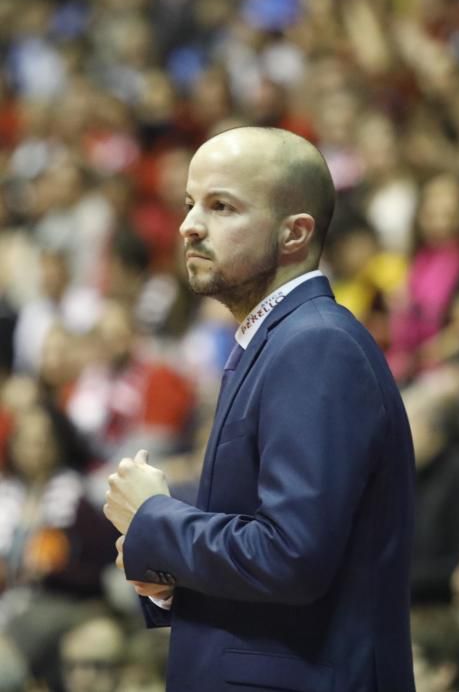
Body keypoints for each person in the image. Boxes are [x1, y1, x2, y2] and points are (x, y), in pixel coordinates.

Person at [104, 126, 416, 692]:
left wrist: (156, 518)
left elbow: (291, 554)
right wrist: (171, 580)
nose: (189, 224)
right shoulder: (277, 340)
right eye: (189, 203)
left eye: (221, 206)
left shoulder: (315, 345)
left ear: (294, 233)